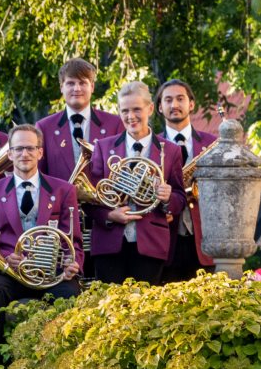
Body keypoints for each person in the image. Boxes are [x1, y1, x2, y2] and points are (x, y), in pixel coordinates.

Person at [0, 125, 82, 359]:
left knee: (71, 293)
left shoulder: (64, 190)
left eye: (30, 148)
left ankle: (63, 362)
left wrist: (71, 264)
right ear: (10, 153)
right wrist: (5, 260)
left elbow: (72, 241)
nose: (25, 154)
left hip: (51, 273)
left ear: (40, 152)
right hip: (9, 274)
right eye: (19, 148)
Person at [86, 81, 182, 284]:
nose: (131, 116)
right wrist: (110, 215)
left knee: (145, 310)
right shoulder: (103, 147)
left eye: (137, 109)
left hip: (150, 243)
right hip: (109, 242)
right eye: (125, 111)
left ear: (150, 109)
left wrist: (167, 198)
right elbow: (90, 198)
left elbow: (180, 198)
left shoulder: (170, 150)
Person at [157, 79, 214, 280]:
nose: (174, 105)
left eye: (180, 99)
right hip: (165, 245)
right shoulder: (151, 146)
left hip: (205, 242)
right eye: (168, 100)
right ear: (159, 108)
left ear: (191, 104)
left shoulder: (212, 143)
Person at [35, 57, 123, 177]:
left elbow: (121, 171)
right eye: (71, 83)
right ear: (61, 87)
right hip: (61, 196)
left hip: (101, 195)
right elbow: (39, 174)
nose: (77, 88)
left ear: (92, 87)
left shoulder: (114, 124)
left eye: (82, 83)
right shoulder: (44, 127)